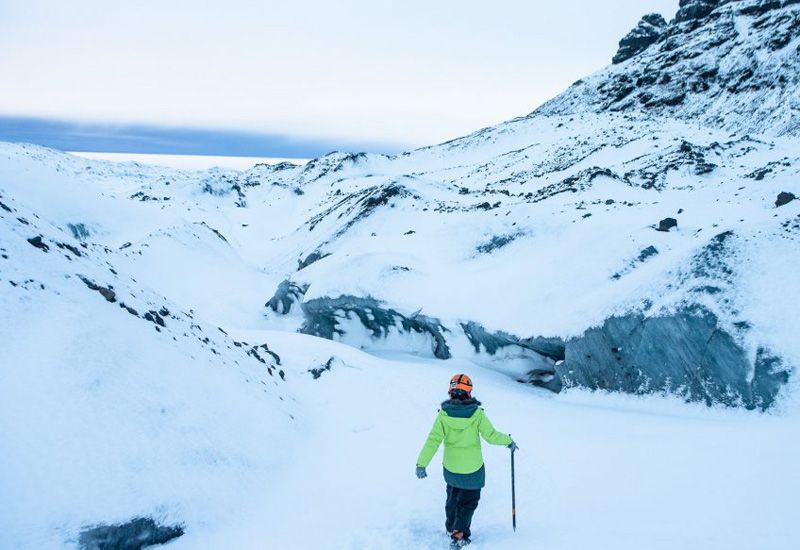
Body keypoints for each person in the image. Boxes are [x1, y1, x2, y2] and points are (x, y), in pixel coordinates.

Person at [415, 374, 517, 548]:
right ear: (469, 392)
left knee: (452, 497)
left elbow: (432, 441)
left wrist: (421, 463)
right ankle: (459, 534)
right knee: (468, 502)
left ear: (450, 391)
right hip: (472, 469)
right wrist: (508, 441)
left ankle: (450, 526)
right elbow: (491, 436)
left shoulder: (443, 415)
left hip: (451, 468)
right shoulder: (477, 414)